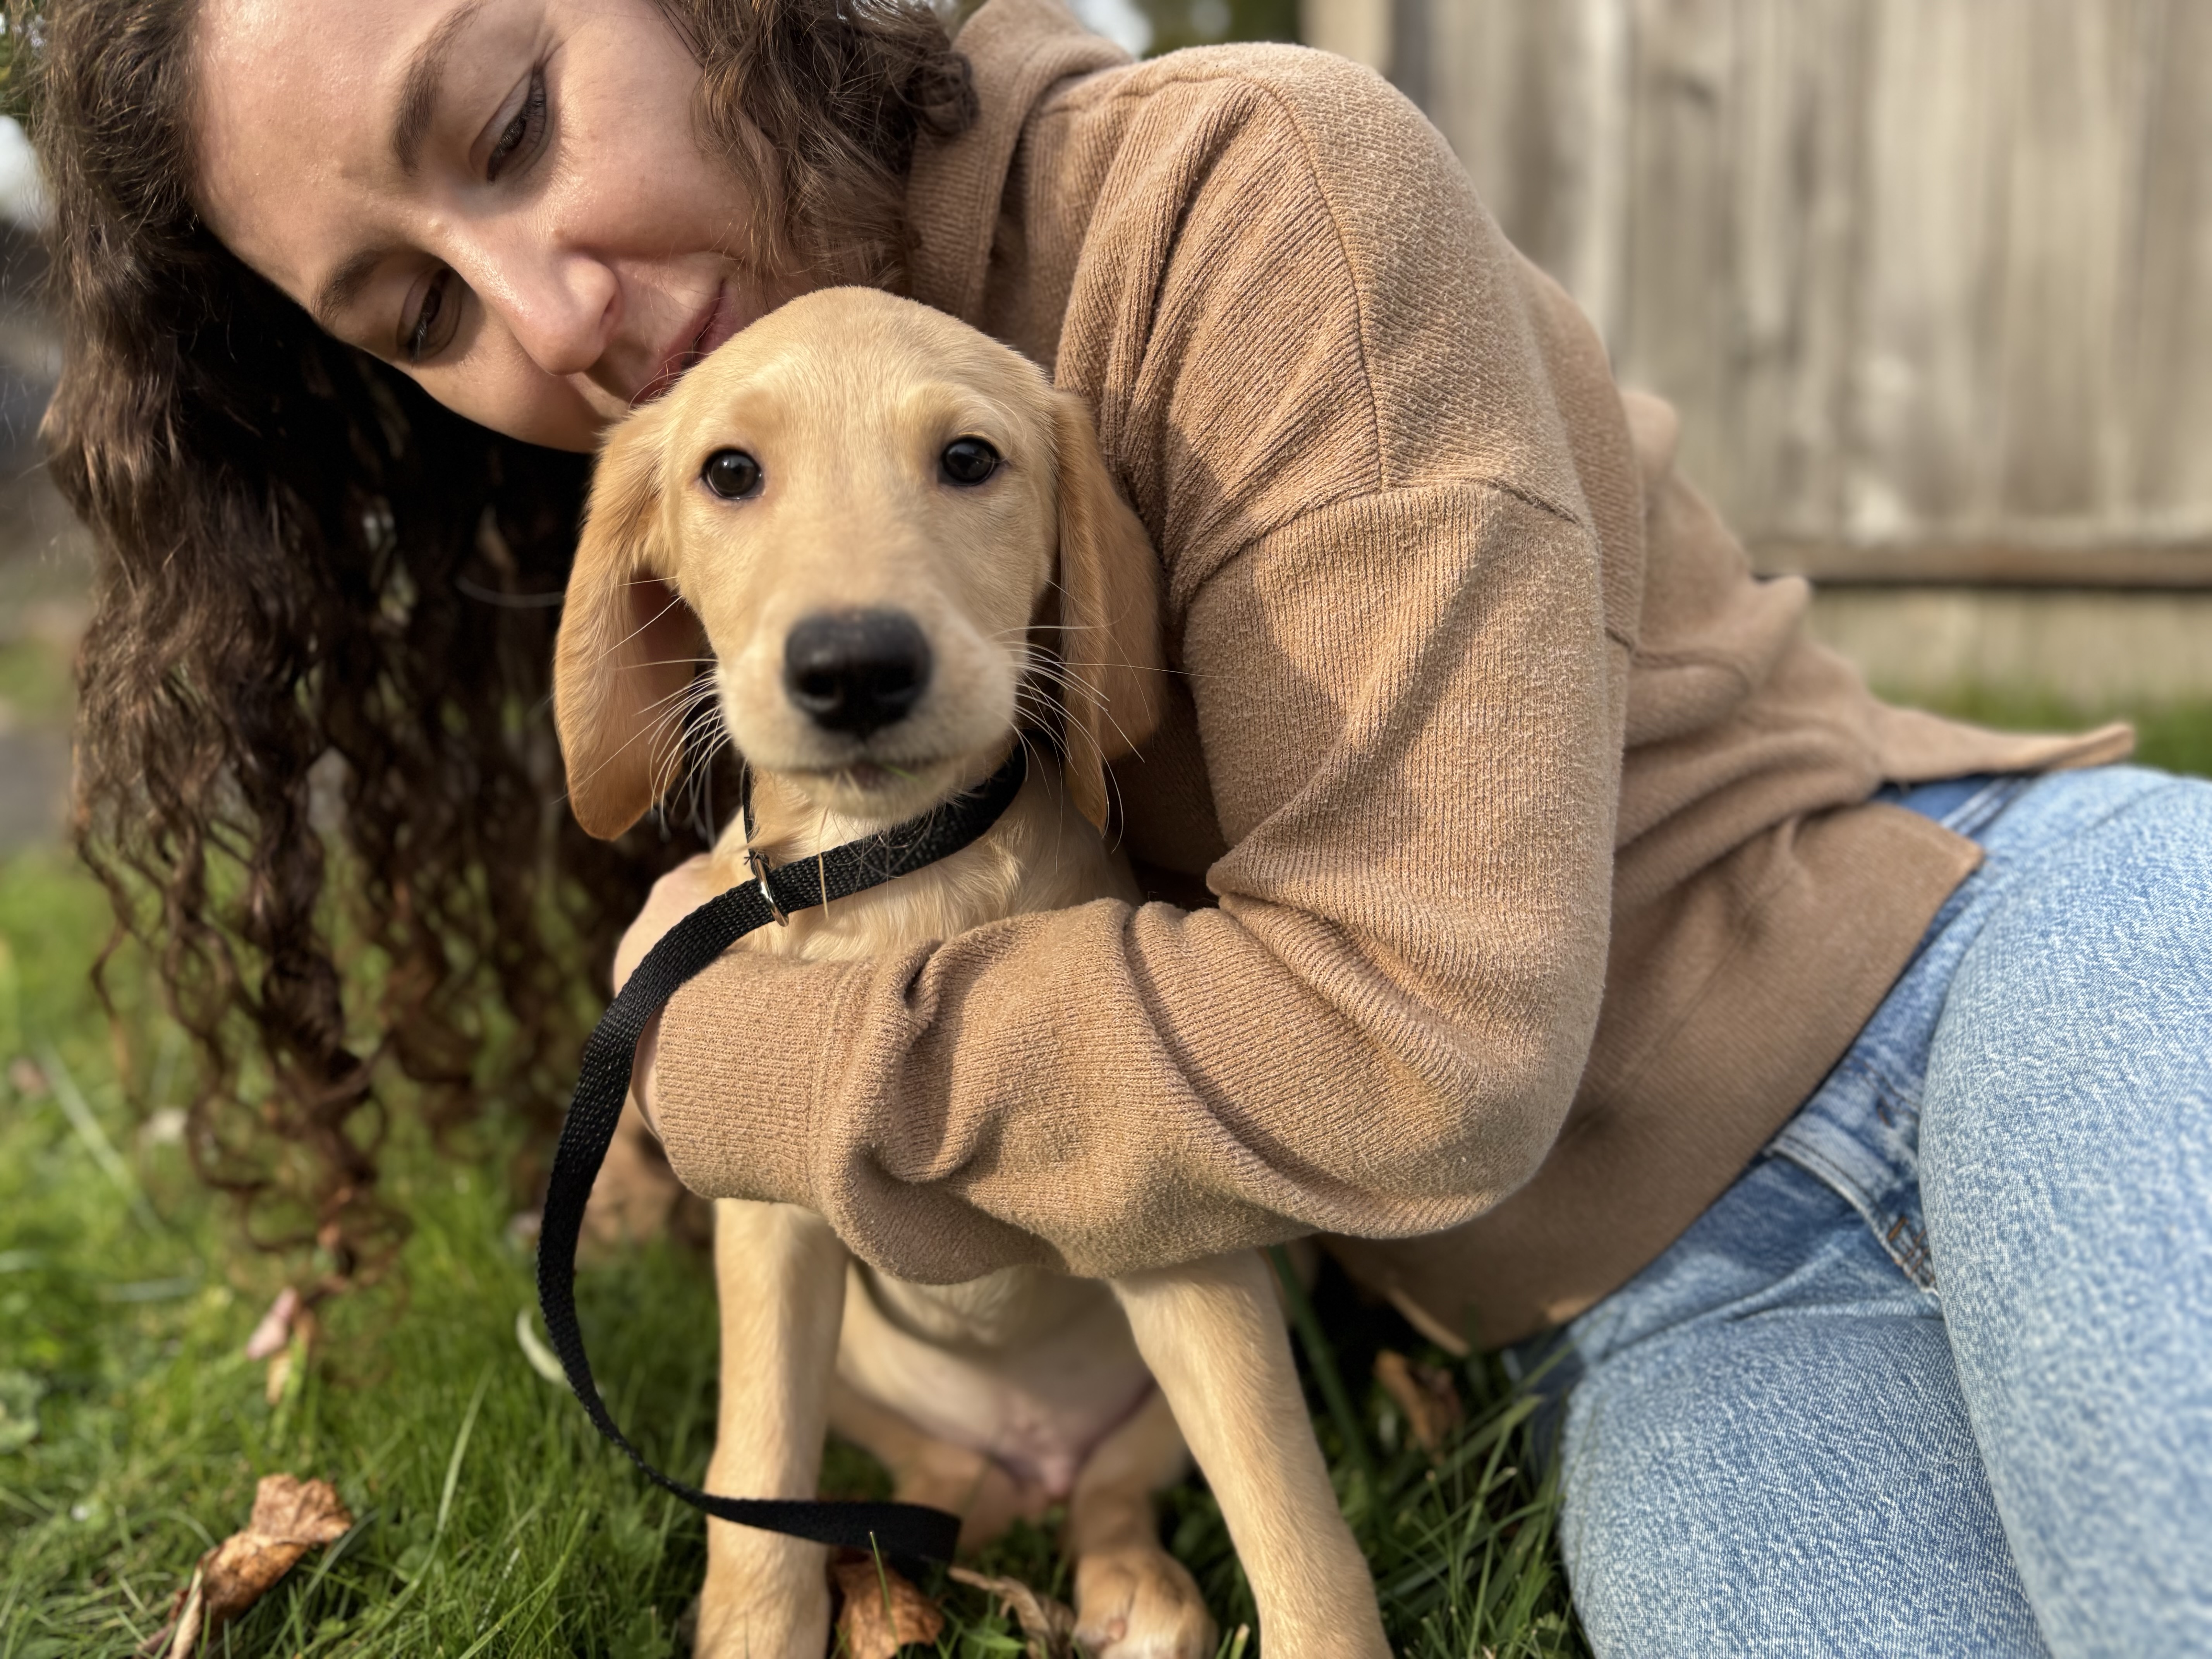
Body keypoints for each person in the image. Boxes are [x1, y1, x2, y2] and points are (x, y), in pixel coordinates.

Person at [27, 0, 2210, 1651]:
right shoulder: (715, 512)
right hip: (1643, 1307)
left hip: (1988, 975)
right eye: (420, 314)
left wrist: (721, 1060)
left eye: (509, 126)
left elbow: (1425, 1047)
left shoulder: (1260, 189)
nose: (551, 318)